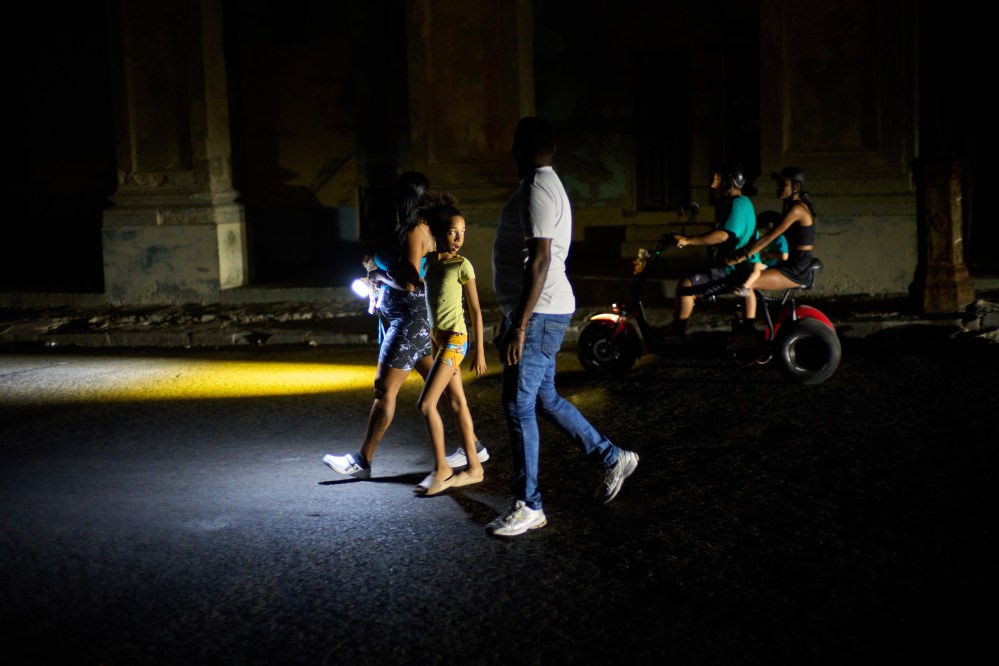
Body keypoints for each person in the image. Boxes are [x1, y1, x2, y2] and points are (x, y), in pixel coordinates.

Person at [487, 116, 639, 538]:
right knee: (545, 398)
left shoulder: (537, 187)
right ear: (552, 149)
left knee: (518, 405)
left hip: (538, 313)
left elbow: (540, 260)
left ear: (517, 151)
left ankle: (529, 504)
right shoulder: (546, 183)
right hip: (541, 310)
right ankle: (612, 457)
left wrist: (519, 325)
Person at [322, 173, 488, 480]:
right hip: (417, 320)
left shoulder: (415, 231)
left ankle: (362, 461)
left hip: (409, 322)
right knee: (447, 390)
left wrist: (377, 276)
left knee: (384, 388)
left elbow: (411, 283)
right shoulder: (423, 229)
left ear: (405, 199)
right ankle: (474, 448)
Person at [413, 194, 488, 496]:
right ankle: (474, 467)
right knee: (457, 403)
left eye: (463, 233)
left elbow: (476, 311)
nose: (459, 238)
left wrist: (480, 351)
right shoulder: (429, 263)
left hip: (456, 340)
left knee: (426, 403)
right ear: (440, 233)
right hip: (437, 339)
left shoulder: (462, 265)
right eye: (453, 232)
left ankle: (442, 469)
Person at [725, 166, 817, 349]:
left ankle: (748, 336)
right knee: (748, 275)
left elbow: (769, 237)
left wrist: (741, 256)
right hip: (791, 263)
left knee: (748, 283)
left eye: (782, 184)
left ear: (796, 187)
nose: (777, 188)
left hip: (796, 268)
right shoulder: (790, 206)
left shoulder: (797, 210)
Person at [664, 165, 759, 341]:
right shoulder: (744, 203)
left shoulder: (737, 205)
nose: (713, 185)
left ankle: (676, 333)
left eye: (717, 181)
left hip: (729, 269)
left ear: (729, 183)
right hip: (731, 266)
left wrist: (688, 240)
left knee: (686, 285)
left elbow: (723, 235)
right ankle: (677, 329)